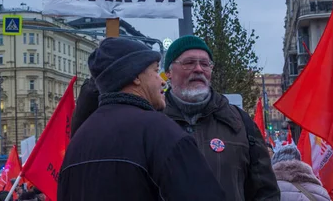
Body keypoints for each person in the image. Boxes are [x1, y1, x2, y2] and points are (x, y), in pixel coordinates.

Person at [58, 37, 227, 201]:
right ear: (135, 77)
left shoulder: (78, 141)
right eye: (155, 71)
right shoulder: (161, 131)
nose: (162, 81)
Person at [163, 35, 280, 200]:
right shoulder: (151, 122)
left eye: (205, 64)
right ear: (168, 72)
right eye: (189, 63)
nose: (198, 69)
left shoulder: (240, 123)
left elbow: (266, 192)